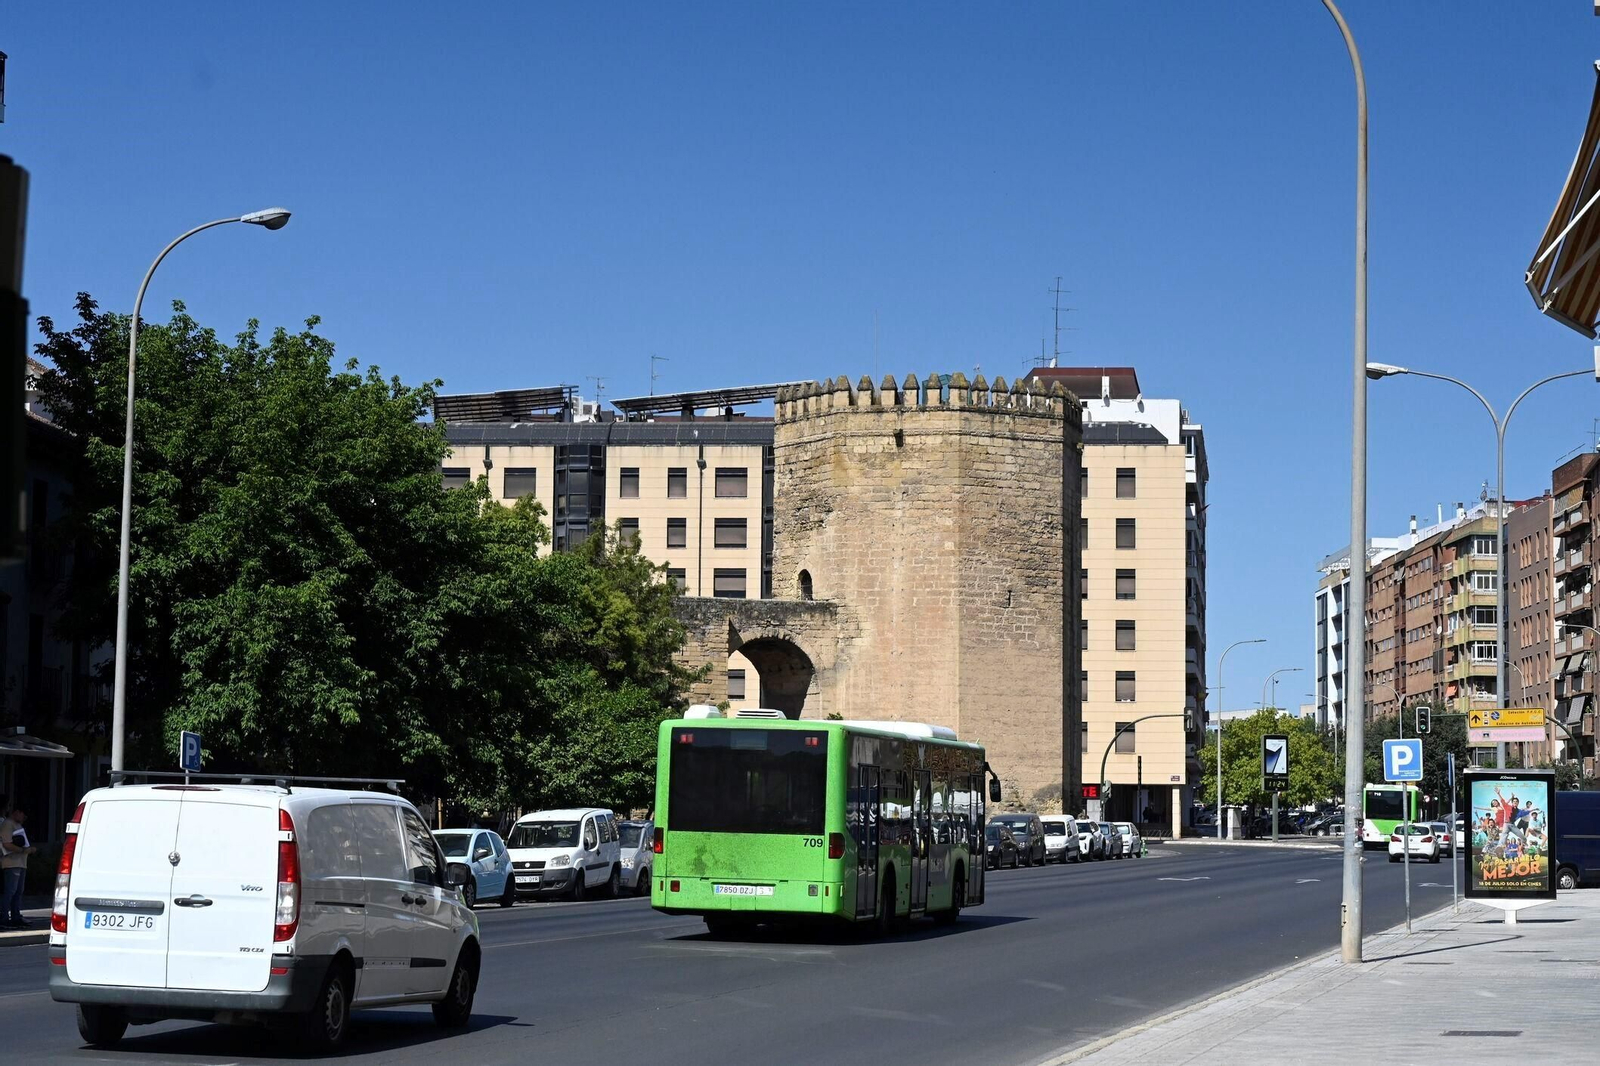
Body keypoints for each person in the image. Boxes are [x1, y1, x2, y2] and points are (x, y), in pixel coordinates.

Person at [0, 805, 34, 928]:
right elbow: (6, 844)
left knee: (18, 891)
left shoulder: (18, 825)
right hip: (11, 863)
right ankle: (3, 917)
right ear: (17, 812)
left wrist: (28, 850)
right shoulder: (8, 824)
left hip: (20, 862)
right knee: (10, 891)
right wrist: (22, 850)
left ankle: (15, 916)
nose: (24, 818)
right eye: (23, 814)